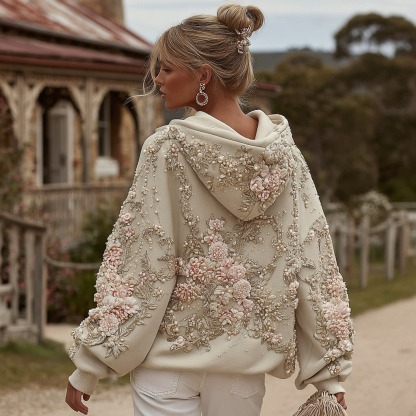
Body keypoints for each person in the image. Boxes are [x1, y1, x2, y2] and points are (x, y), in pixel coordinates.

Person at [65, 4, 354, 416]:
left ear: (203, 75)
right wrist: (330, 374)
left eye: (166, 68)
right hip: (242, 375)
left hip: (168, 368)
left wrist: (90, 364)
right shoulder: (286, 158)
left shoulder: (167, 149)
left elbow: (142, 261)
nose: (157, 79)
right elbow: (314, 261)